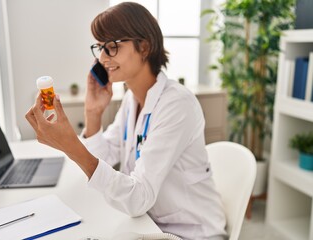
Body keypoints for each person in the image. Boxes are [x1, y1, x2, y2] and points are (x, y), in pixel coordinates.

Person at [26, 2, 227, 240]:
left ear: (144, 47)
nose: (101, 57)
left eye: (111, 46)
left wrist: (71, 145)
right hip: (151, 224)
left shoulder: (177, 105)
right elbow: (107, 159)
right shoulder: (132, 100)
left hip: (189, 233)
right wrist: (93, 114)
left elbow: (138, 199)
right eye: (99, 47)